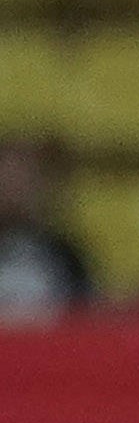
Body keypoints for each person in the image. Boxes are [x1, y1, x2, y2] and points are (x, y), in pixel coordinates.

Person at [0, 135, 93, 322]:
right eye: (6, 175)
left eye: (23, 176)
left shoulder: (64, 255)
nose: (13, 187)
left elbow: (88, 320)